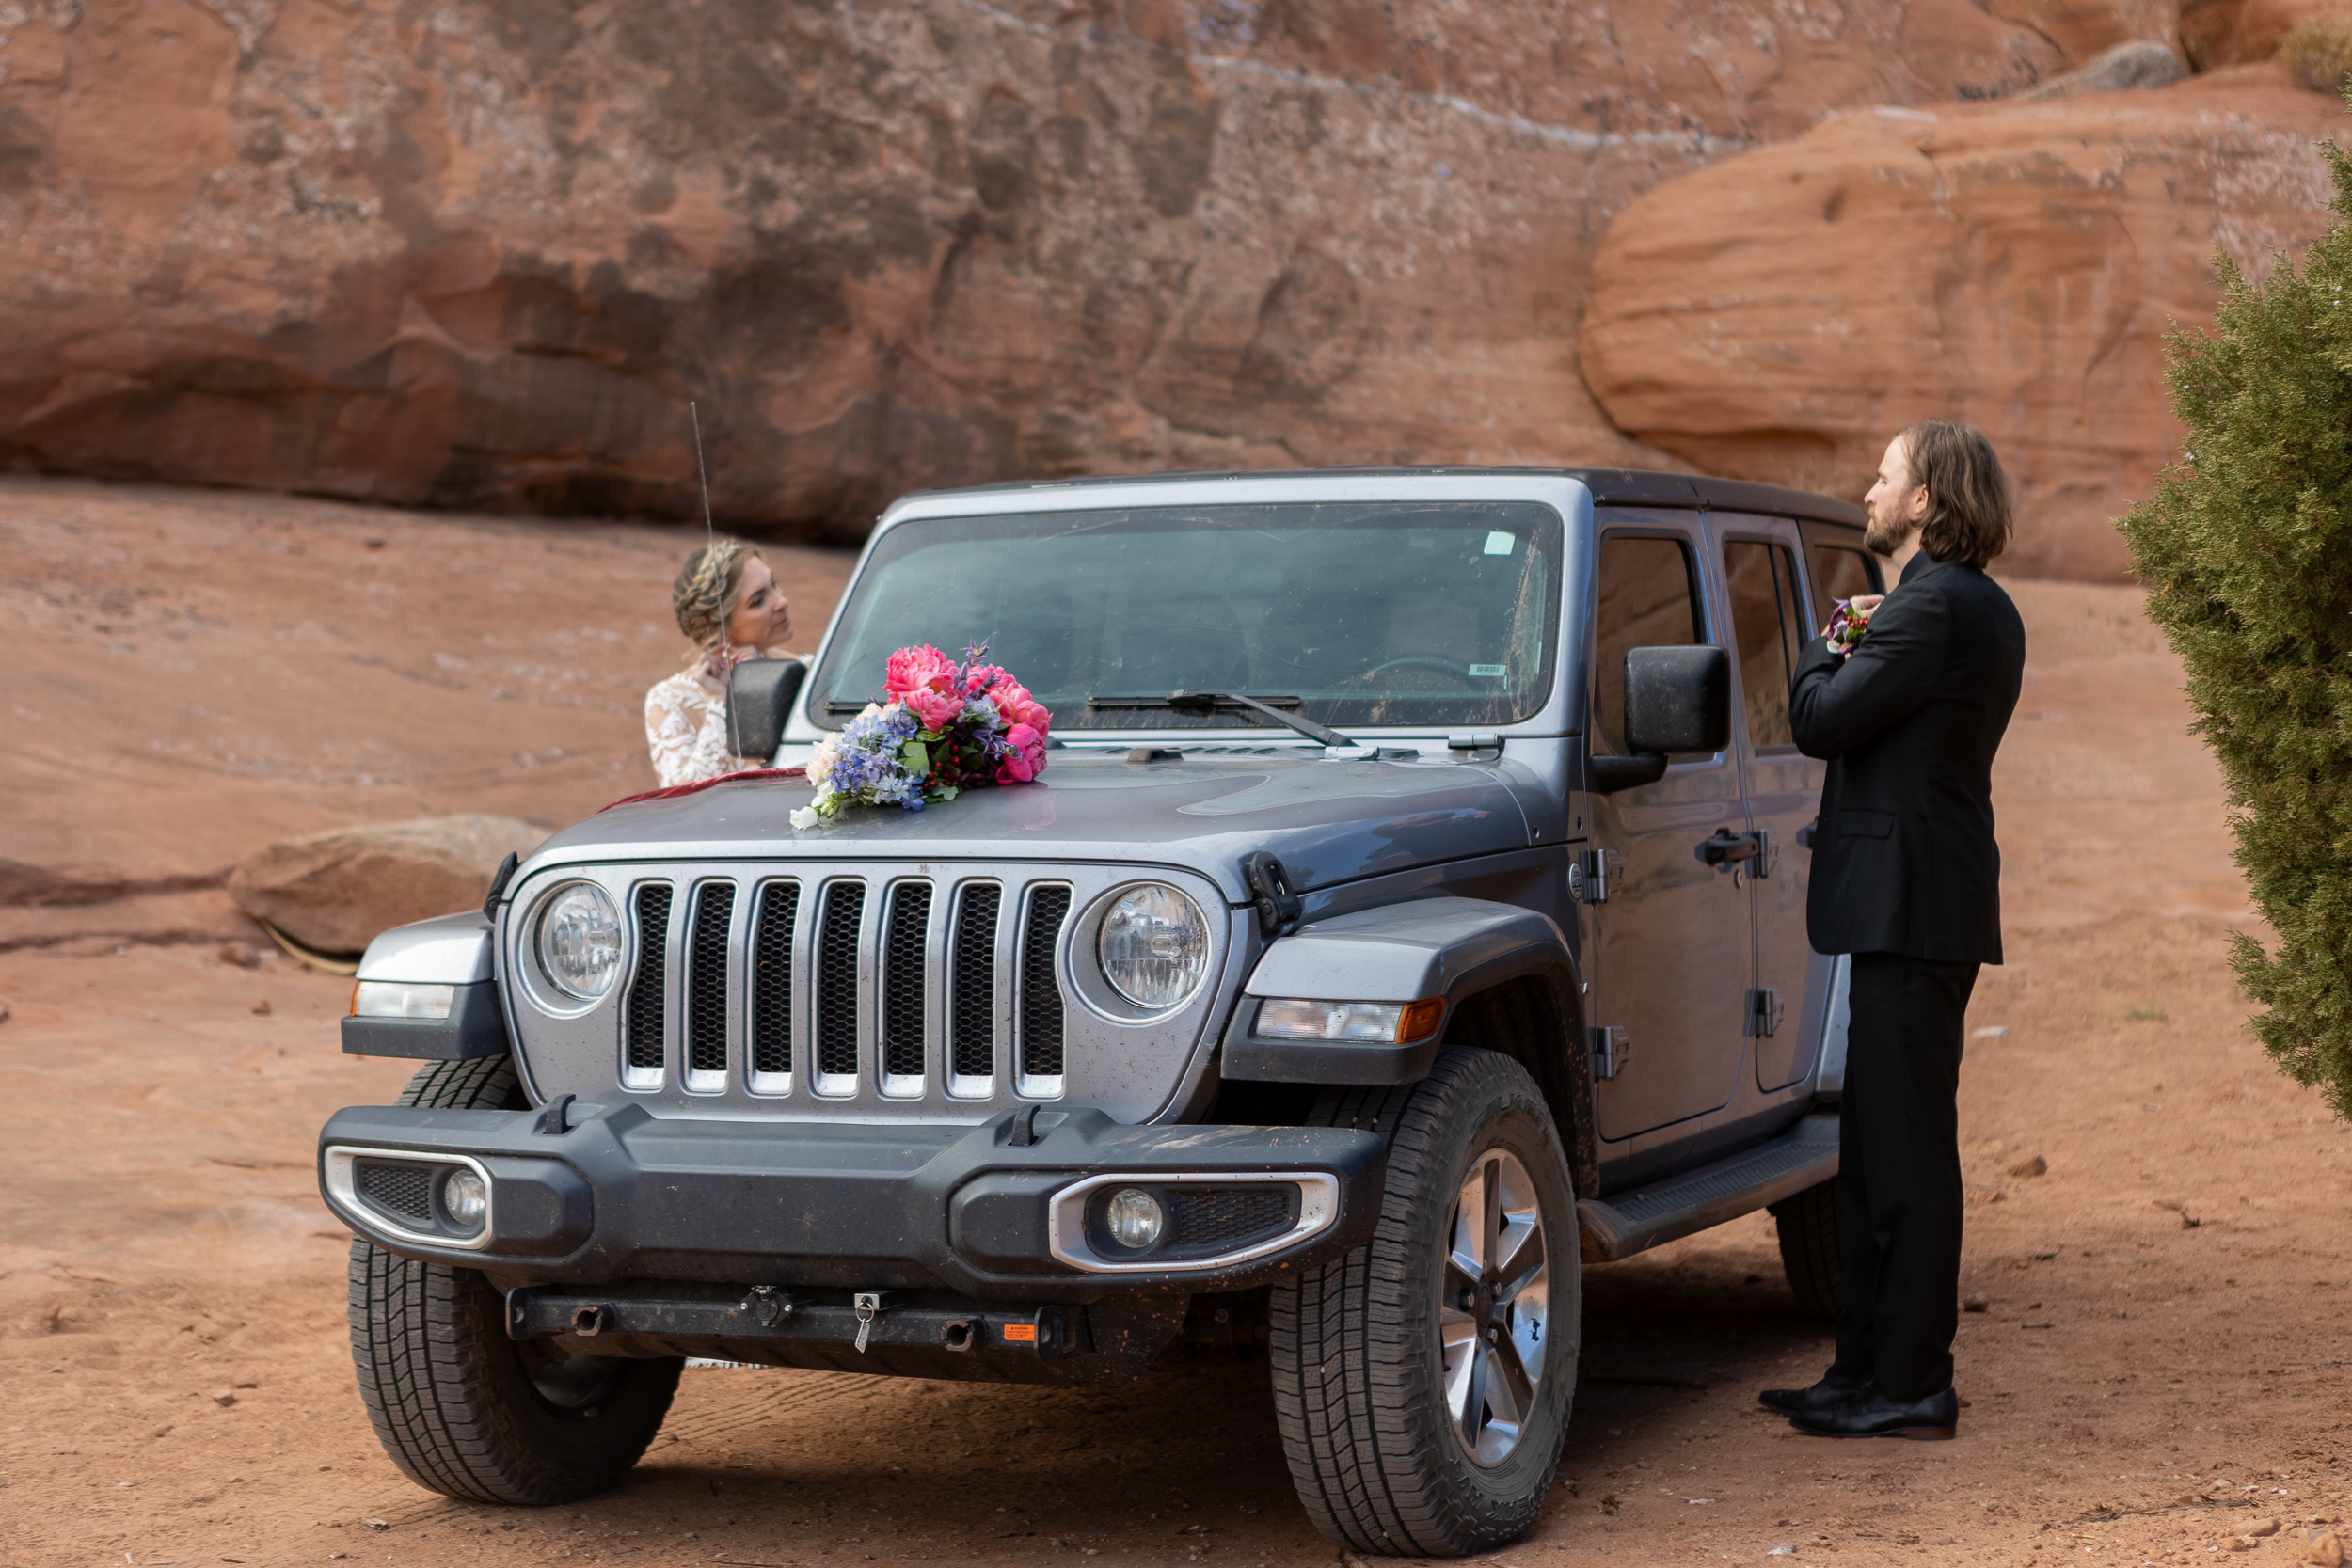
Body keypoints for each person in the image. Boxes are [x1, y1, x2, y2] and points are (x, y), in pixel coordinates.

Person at [1761, 421, 2026, 1440]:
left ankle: (1913, 1381)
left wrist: (1834, 634)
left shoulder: (1934, 607)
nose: (1868, 490)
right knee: (1872, 1152)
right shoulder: (1957, 605)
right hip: (1910, 903)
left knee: (1906, 1156)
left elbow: (1820, 720)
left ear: (1924, 501)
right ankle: (1859, 1371)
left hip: (1915, 905)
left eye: (1885, 478)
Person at [644, 538, 795, 787]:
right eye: (758, 601)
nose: (782, 602)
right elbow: (682, 798)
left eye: (775, 586)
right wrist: (719, 702)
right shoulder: (669, 699)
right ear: (715, 628)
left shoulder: (811, 672)